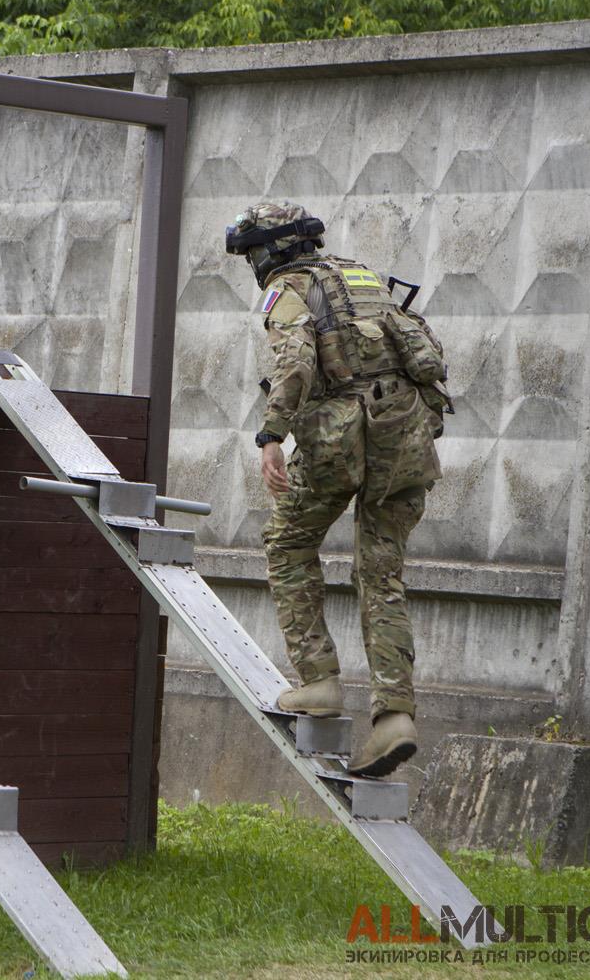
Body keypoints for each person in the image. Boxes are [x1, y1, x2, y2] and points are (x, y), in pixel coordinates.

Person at [226, 201, 450, 778]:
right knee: (381, 570)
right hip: (406, 435)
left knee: (287, 540)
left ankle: (319, 680)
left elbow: (296, 362)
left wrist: (272, 434)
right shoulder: (361, 277)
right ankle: (394, 718)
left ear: (269, 251)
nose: (253, 262)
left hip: (340, 439)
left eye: (252, 251)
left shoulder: (289, 291)